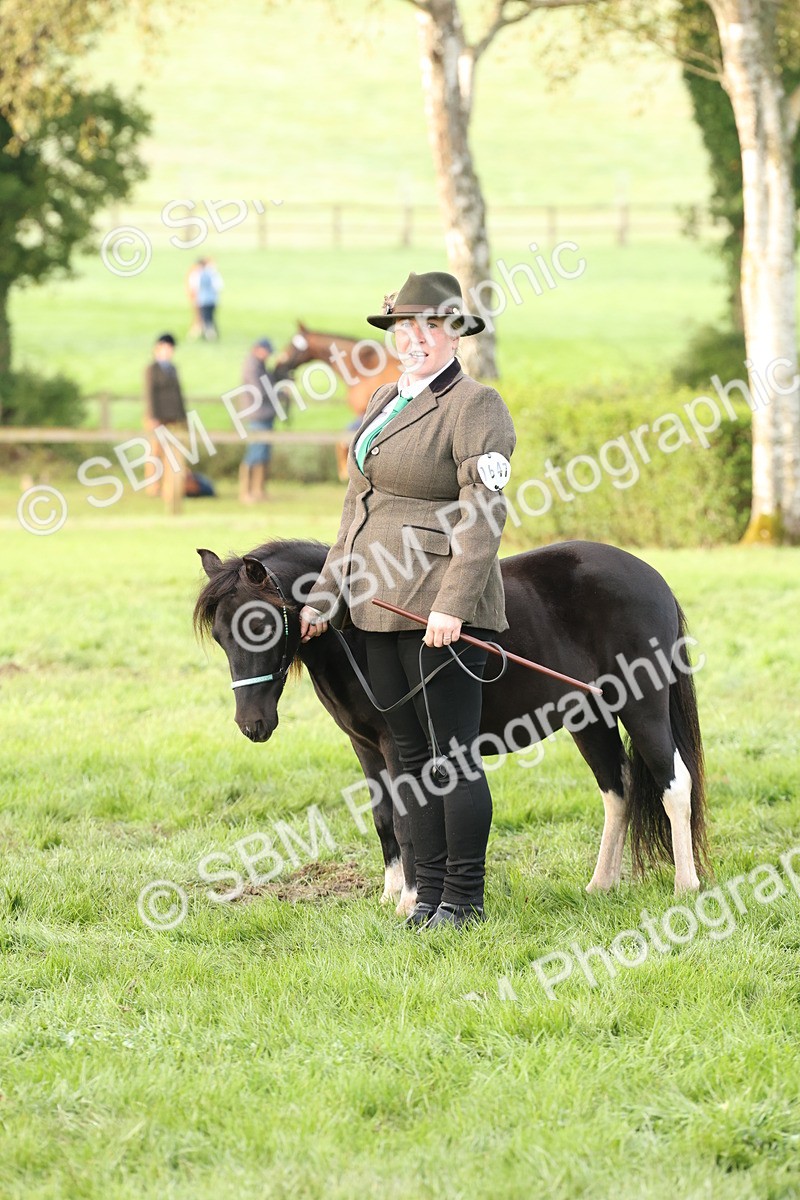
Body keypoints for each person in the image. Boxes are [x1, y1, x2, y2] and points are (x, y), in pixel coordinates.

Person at [299, 271, 516, 931]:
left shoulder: (476, 405)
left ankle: (464, 900)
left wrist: (454, 602)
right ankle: (428, 898)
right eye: (403, 327)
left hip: (436, 610)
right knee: (413, 760)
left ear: (453, 332)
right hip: (373, 605)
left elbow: (484, 514)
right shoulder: (387, 399)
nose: (412, 339)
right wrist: (324, 596)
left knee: (451, 756)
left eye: (427, 327)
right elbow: (354, 509)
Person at [143, 332, 188, 514]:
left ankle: (170, 488)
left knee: (172, 454)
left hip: (172, 418)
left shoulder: (172, 368)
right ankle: (153, 486)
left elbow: (178, 394)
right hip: (158, 416)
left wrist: (183, 416)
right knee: (155, 451)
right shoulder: (152, 369)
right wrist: (153, 416)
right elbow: (150, 394)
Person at [239, 337, 278, 504]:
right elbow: (260, 391)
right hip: (257, 415)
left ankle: (258, 490)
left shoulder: (259, 366)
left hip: (264, 414)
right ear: (258, 349)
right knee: (255, 452)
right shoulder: (252, 366)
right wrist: (281, 393)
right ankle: (246, 492)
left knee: (263, 453)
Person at [196, 258, 223, 341]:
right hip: (212, 299)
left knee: (206, 319)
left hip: (204, 300)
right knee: (211, 318)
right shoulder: (212, 273)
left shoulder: (200, 274)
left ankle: (210, 335)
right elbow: (219, 286)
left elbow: (197, 286)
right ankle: (211, 334)